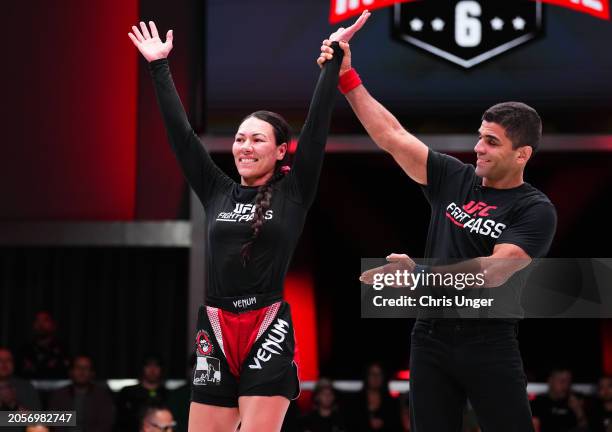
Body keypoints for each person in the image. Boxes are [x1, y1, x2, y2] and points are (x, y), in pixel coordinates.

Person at [128, 12, 369, 432]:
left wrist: (332, 62)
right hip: (217, 327)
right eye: (240, 137)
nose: (245, 146)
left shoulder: (295, 192)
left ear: (280, 152)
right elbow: (182, 138)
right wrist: (158, 66)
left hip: (267, 326)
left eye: (258, 138)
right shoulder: (216, 188)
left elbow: (314, 130)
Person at [318, 15, 557, 431]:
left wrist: (420, 276)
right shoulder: (455, 177)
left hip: (490, 342)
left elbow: (494, 272)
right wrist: (346, 76)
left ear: (523, 155)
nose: (478, 147)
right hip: (430, 338)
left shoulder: (534, 209)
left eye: (492, 142)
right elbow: (392, 135)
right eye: (480, 136)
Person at [47, 355, 116, 432]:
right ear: (71, 372)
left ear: (92, 373)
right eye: (78, 367)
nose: (82, 371)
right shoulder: (59, 395)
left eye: (86, 368)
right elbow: (52, 424)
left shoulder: (102, 396)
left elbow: (106, 424)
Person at [345, 362, 401, 432]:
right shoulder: (355, 401)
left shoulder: (391, 403)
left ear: (383, 377)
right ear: (366, 376)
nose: (375, 377)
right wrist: (366, 423)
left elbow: (397, 426)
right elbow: (349, 424)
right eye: (372, 374)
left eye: (379, 374)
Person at [118, 356, 168, 432]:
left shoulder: (168, 394)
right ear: (142, 368)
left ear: (161, 369)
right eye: (148, 365)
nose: (152, 370)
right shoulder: (127, 393)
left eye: (156, 365)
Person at [531, 368, 589, 432]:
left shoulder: (576, 400)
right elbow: (533, 427)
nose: (566, 385)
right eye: (562, 381)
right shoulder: (539, 401)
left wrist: (578, 410)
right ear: (550, 381)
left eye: (569, 382)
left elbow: (585, 428)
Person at [19, 311, 69, 379]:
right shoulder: (25, 349)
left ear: (53, 325)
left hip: (57, 388)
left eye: (45, 320)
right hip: (29, 387)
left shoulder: (62, 348)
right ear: (33, 325)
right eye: (38, 321)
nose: (41, 324)